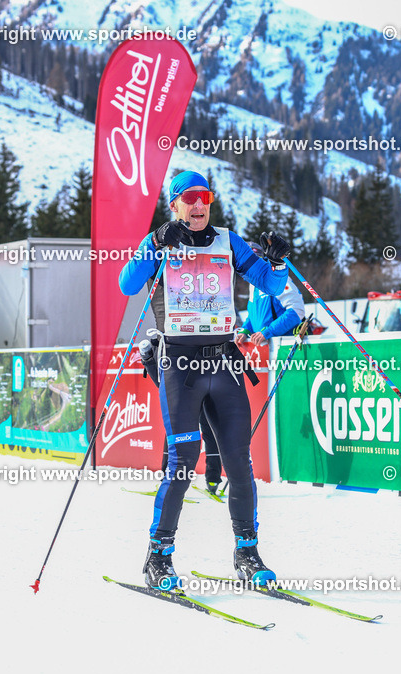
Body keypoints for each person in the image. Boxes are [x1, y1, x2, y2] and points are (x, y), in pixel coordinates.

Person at [119, 170, 291, 591]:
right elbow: (128, 284)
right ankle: (158, 557)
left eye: (205, 197)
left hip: (223, 364)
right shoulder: (161, 242)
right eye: (190, 198)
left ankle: (247, 553)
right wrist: (154, 243)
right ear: (174, 203)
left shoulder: (227, 241)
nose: (199, 205)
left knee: (239, 462)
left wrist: (278, 258)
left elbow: (269, 282)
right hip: (179, 365)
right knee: (182, 464)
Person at [138, 338, 223, 495]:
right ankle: (172, 479)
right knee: (178, 430)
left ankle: (212, 479)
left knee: (203, 428)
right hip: (187, 373)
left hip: (193, 374)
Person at [235, 242, 306, 346]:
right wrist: (246, 330)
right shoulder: (253, 285)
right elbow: (254, 316)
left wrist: (269, 331)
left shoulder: (276, 279)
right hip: (266, 349)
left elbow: (297, 310)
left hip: (285, 346)